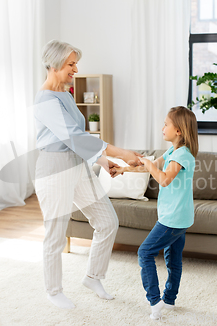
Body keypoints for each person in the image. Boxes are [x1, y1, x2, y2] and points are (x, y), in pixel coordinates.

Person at [33, 40, 143, 310]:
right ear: (54, 63)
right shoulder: (45, 100)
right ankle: (53, 290)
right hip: (54, 170)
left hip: (77, 166)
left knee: (107, 221)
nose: (75, 68)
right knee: (56, 234)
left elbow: (78, 140)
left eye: (75, 63)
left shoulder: (67, 95)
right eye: (71, 63)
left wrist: (103, 161)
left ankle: (93, 276)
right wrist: (119, 152)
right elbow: (73, 136)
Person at [116, 106, 198, 320]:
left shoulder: (182, 155)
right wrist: (122, 169)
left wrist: (150, 164)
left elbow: (163, 178)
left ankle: (155, 301)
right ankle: (169, 300)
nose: (162, 128)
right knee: (173, 260)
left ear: (178, 130)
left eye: (166, 124)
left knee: (145, 253)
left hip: (173, 219)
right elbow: (149, 169)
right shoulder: (173, 151)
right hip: (179, 217)